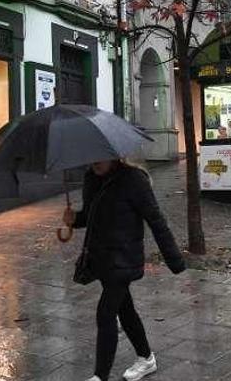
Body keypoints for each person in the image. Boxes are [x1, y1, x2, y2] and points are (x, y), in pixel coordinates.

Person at [63, 160, 185, 381]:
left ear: (113, 154)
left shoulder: (133, 179)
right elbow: (90, 216)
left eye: (100, 158)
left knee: (105, 312)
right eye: (92, 159)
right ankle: (146, 357)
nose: (96, 163)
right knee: (125, 310)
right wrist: (75, 219)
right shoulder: (92, 178)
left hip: (125, 257)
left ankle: (100, 376)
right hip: (102, 258)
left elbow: (156, 220)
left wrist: (174, 260)